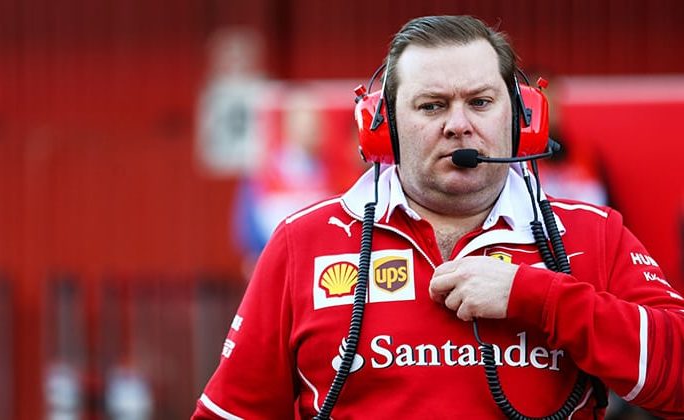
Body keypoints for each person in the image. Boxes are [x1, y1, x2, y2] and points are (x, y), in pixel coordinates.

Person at [192, 16, 684, 419]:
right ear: (383, 127)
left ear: (523, 118)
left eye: (480, 102)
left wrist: (541, 299)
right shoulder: (303, 243)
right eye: (432, 106)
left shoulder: (592, 234)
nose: (458, 124)